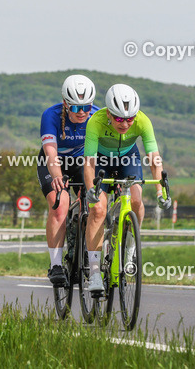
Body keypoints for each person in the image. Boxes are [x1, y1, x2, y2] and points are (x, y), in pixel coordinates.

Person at [82, 83, 170, 293]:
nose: (125, 124)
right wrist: (91, 190)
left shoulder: (143, 121)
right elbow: (89, 163)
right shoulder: (96, 121)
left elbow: (153, 158)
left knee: (137, 199)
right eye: (119, 119)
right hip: (102, 160)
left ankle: (130, 247)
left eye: (129, 118)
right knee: (98, 210)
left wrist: (160, 191)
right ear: (109, 114)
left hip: (128, 158)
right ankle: (94, 273)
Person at [38, 74, 98, 286]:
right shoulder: (51, 115)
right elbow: (51, 154)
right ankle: (55, 265)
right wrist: (56, 177)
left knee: (94, 203)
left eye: (86, 107)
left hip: (84, 162)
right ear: (65, 103)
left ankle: (86, 248)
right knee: (60, 205)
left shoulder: (97, 116)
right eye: (75, 108)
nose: (81, 112)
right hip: (55, 162)